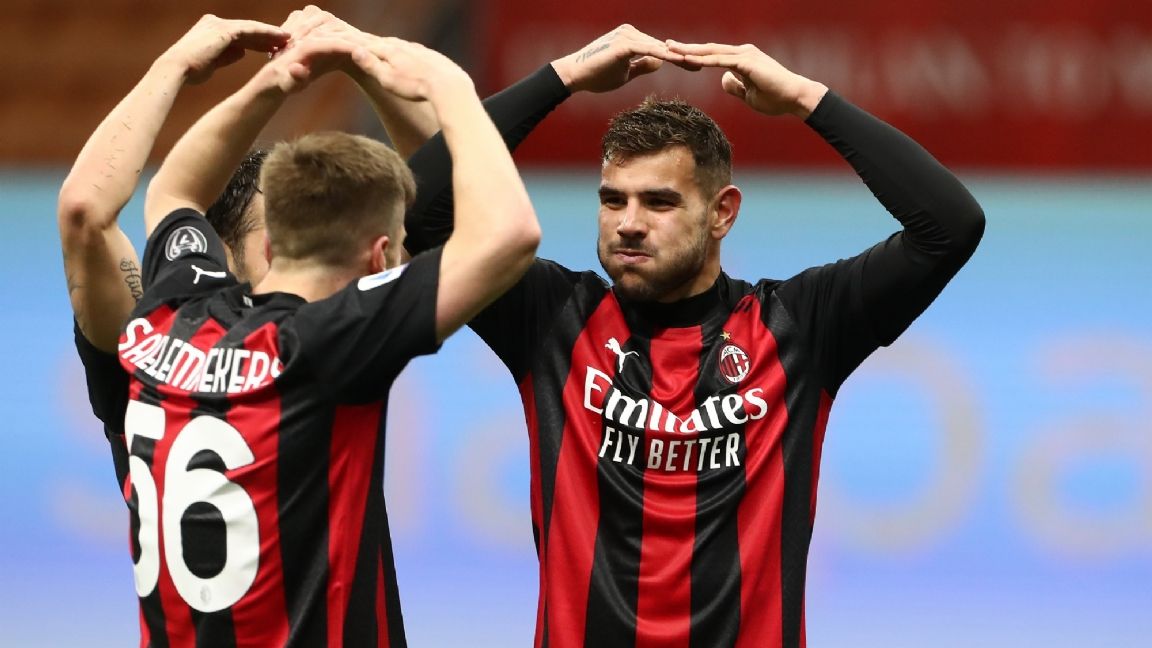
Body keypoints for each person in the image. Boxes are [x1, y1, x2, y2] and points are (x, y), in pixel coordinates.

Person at [398, 29, 985, 647]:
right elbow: (421, 209)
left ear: (722, 212)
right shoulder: (549, 319)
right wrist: (564, 76)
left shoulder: (801, 327)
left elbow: (949, 226)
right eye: (613, 200)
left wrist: (806, 99)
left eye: (659, 203)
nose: (628, 224)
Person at [116, 29, 539, 647]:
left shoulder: (170, 316)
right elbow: (510, 237)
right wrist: (452, 90)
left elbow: (173, 190)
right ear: (380, 258)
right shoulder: (331, 345)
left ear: (268, 244)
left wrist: (273, 81)